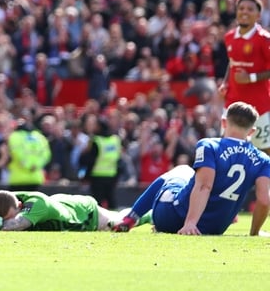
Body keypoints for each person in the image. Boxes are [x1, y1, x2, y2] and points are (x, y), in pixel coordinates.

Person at [112, 101, 270, 235]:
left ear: (223, 123)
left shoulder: (210, 145)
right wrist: (254, 233)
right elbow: (264, 199)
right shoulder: (263, 159)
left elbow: (204, 186)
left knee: (181, 170)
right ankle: (141, 216)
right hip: (214, 228)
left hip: (173, 218)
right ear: (252, 131)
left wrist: (190, 223)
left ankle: (131, 217)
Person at [0, 189, 150, 232]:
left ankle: (150, 212)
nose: (5, 220)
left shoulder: (36, 204)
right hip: (60, 203)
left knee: (121, 224)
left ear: (19, 206)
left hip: (84, 213)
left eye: (11, 216)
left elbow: (15, 226)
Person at [218, 0, 270, 155]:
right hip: (232, 103)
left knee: (264, 151)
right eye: (241, 8)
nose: (244, 12)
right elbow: (232, 62)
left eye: (250, 9)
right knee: (226, 149)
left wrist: (251, 78)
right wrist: (225, 83)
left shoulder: (264, 39)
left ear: (258, 15)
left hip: (259, 106)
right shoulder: (229, 37)